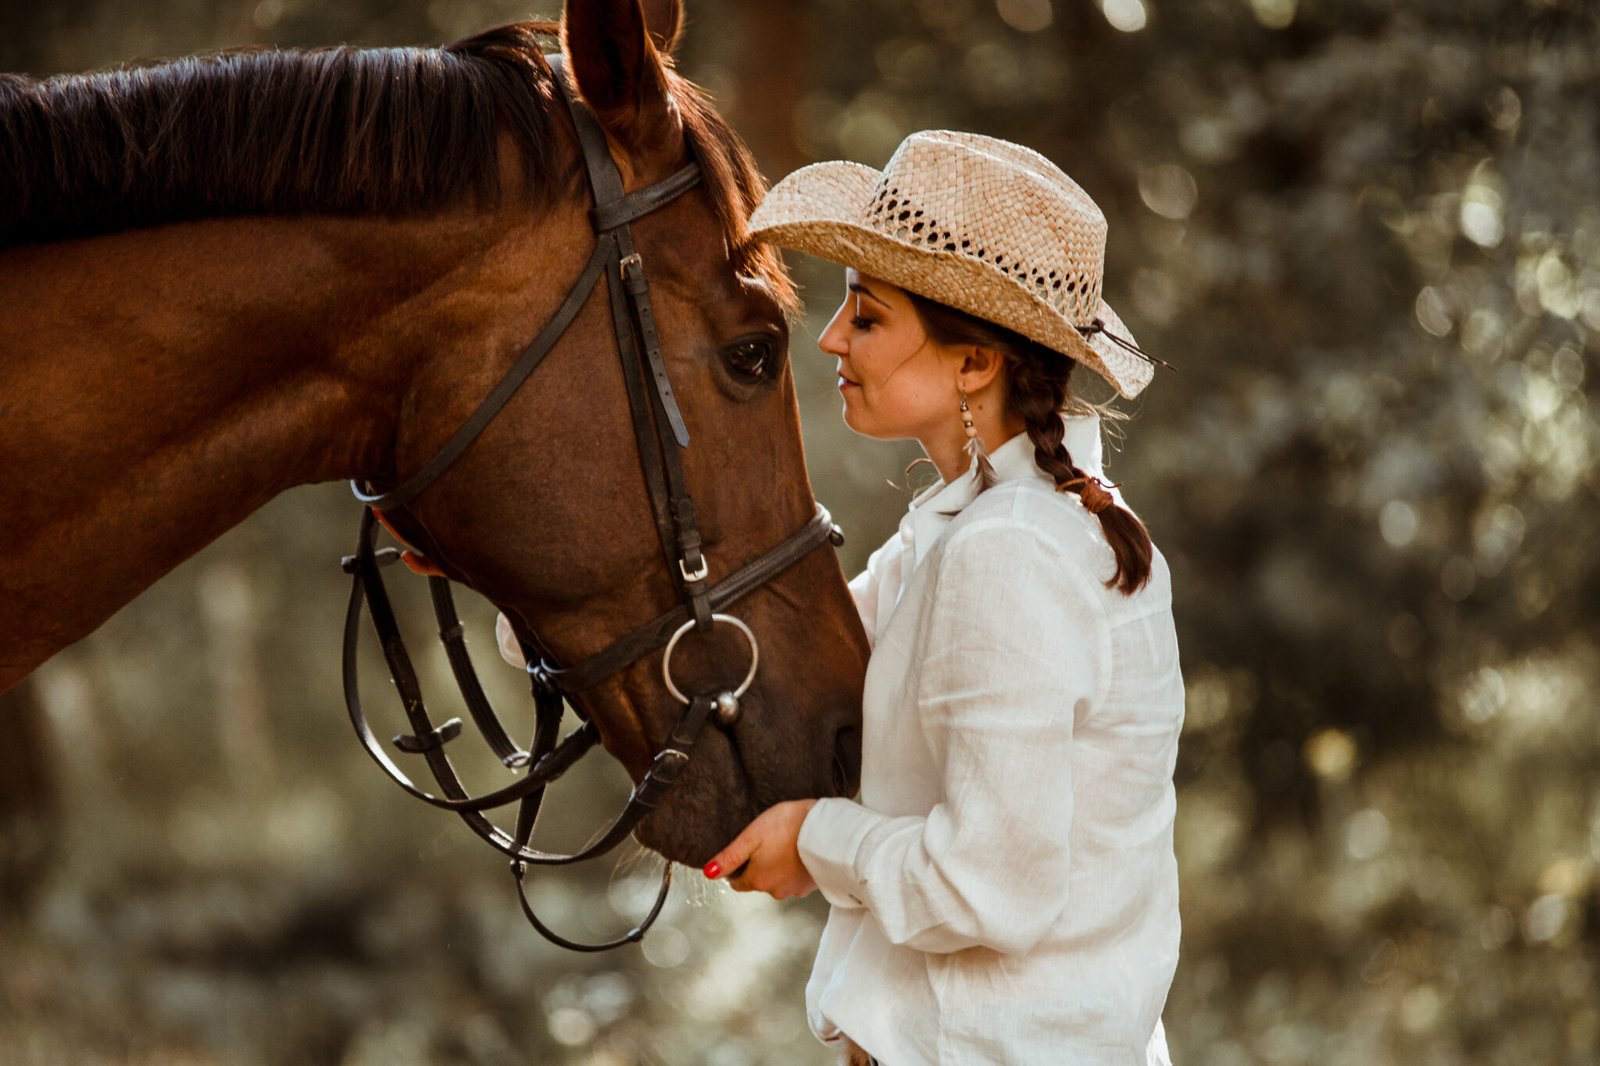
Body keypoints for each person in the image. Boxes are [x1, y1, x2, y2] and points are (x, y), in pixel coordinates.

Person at [699, 130, 1184, 1066]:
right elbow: (775, 662)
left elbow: (985, 889)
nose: (832, 337)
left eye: (869, 317)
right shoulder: (981, 526)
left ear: (975, 364)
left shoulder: (1008, 553)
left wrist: (817, 839)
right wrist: (521, 578)